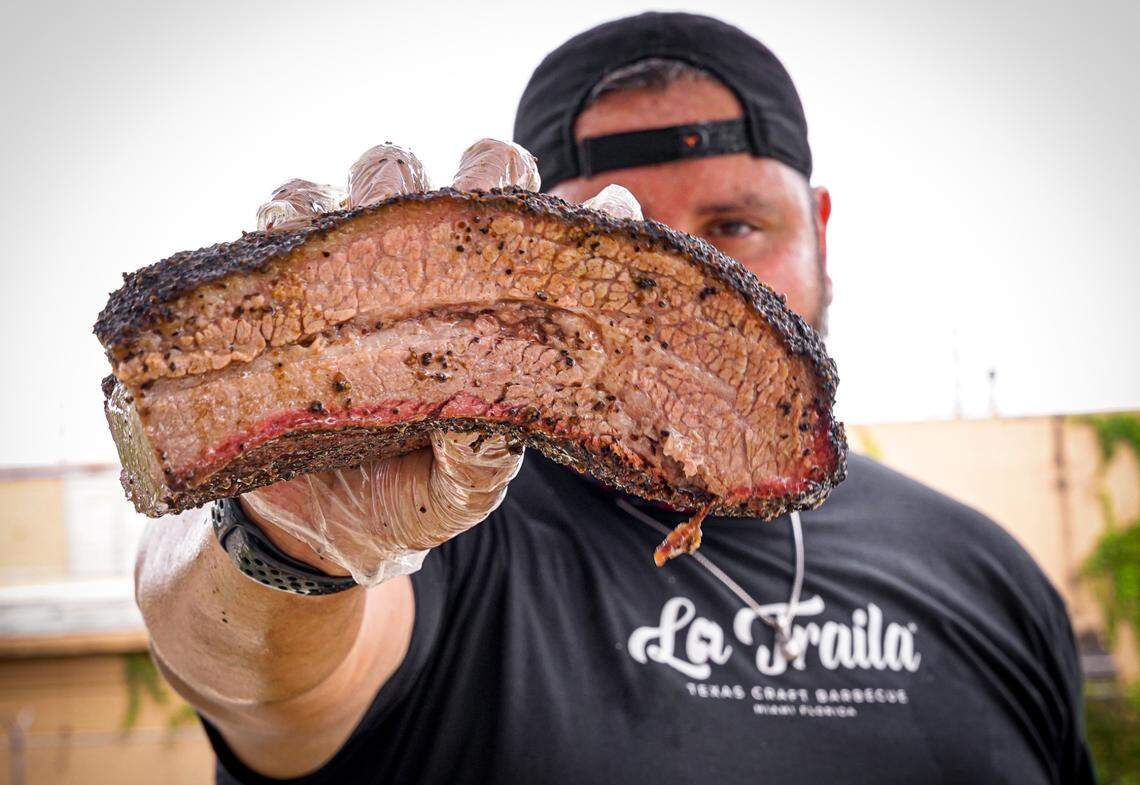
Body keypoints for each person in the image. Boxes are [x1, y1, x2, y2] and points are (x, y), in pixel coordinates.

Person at [135, 12, 1095, 785]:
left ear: (821, 233)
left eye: (734, 224)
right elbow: (259, 683)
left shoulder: (985, 572)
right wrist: (288, 534)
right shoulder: (444, 527)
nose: (687, 284)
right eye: (619, 245)